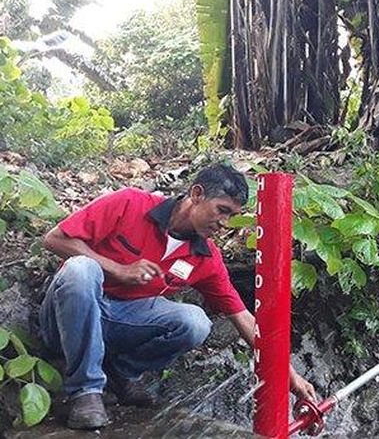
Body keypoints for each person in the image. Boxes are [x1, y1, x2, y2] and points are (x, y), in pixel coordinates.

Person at [39, 164, 316, 430]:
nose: (225, 223)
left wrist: (289, 376)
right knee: (81, 269)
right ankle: (86, 391)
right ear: (196, 195)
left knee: (195, 321)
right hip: (66, 318)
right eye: (222, 210)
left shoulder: (205, 257)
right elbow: (54, 239)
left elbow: (242, 316)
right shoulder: (129, 203)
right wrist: (118, 270)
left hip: (119, 324)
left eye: (232, 216)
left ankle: (120, 374)